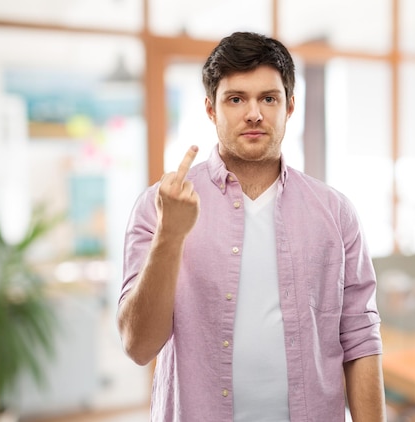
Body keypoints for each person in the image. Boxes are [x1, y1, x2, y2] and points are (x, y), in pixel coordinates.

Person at [117, 31, 386, 422]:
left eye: (269, 98)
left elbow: (361, 339)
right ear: (210, 109)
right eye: (236, 98)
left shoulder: (336, 213)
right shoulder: (161, 205)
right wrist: (170, 235)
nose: (254, 113)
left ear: (290, 106)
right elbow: (139, 347)